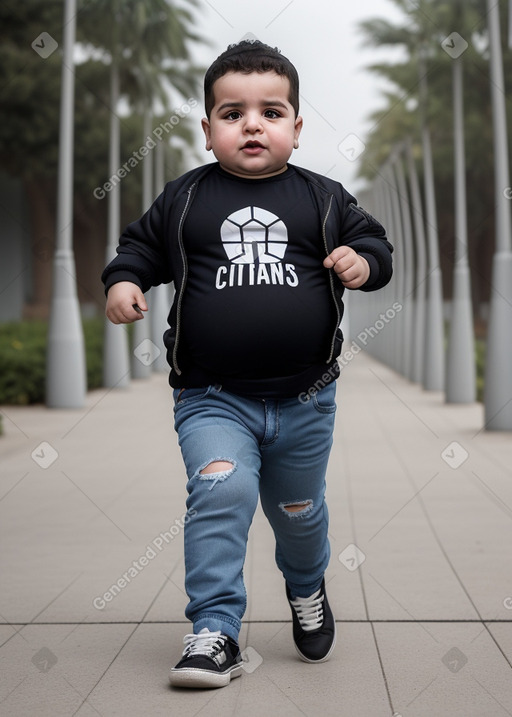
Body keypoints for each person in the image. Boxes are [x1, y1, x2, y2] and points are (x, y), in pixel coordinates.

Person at [102, 39, 393, 689]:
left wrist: (363, 261)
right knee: (221, 490)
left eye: (271, 110)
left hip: (306, 398)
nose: (252, 124)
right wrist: (125, 281)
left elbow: (375, 243)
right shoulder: (185, 199)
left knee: (299, 511)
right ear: (208, 130)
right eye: (232, 113)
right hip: (213, 396)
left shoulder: (322, 198)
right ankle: (214, 629)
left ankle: (306, 584)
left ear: (296, 126)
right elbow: (138, 249)